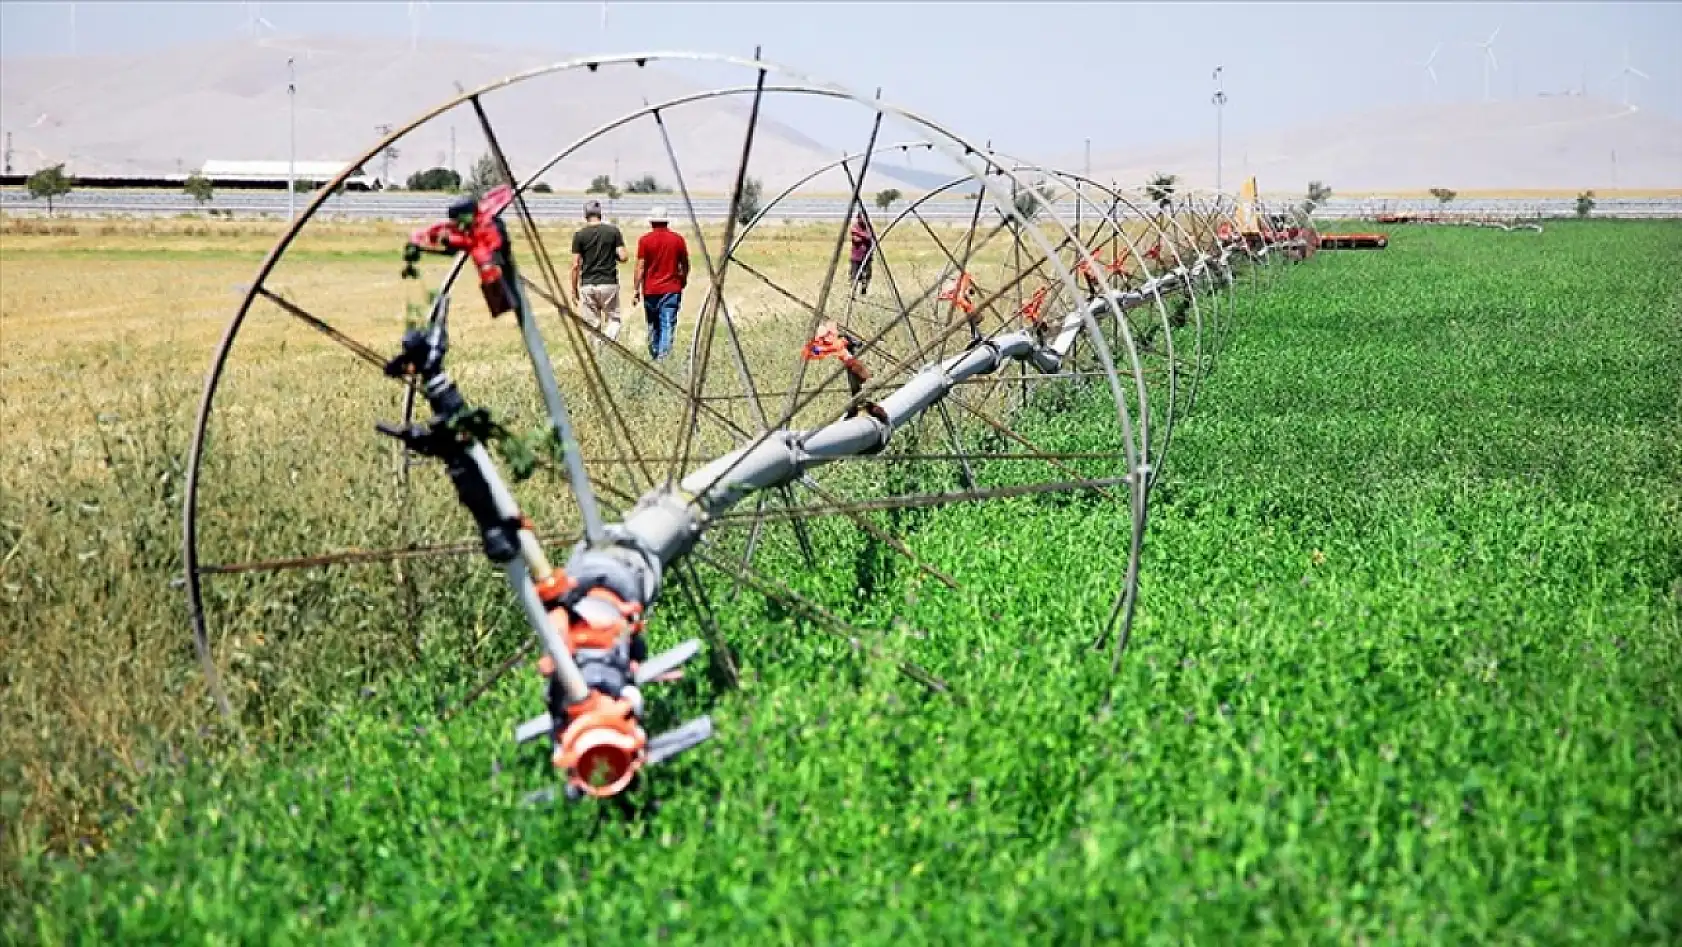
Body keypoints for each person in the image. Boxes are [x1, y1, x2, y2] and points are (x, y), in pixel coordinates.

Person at [633, 206, 689, 361]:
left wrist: (636, 289)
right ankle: (663, 358)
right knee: (667, 323)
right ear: (666, 221)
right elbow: (684, 264)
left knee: (653, 324)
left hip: (650, 290)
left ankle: (656, 353)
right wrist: (683, 279)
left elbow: (641, 266)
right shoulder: (677, 240)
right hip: (672, 289)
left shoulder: (645, 241)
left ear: (651, 222)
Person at [570, 200, 627, 340]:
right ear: (600, 214)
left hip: (588, 284)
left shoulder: (579, 235)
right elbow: (624, 256)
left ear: (585, 215)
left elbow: (575, 265)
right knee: (614, 320)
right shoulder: (613, 231)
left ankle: (597, 353)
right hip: (608, 283)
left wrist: (574, 289)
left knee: (592, 325)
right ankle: (607, 341)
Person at [849, 211, 875, 296]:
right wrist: (863, 236)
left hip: (867, 256)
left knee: (866, 276)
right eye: (861, 218)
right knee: (854, 276)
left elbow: (870, 236)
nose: (863, 220)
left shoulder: (868, 227)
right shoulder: (855, 226)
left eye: (865, 218)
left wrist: (859, 234)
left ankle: (864, 291)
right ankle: (852, 294)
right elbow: (856, 239)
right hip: (856, 257)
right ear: (858, 218)